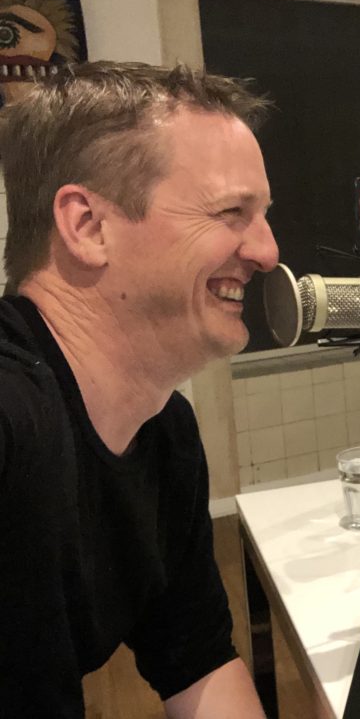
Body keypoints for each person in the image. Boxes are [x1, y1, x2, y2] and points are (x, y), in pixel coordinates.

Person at [0, 62, 278, 716]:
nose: (268, 251)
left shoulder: (164, 432)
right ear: (88, 225)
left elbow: (198, 659)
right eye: (232, 212)